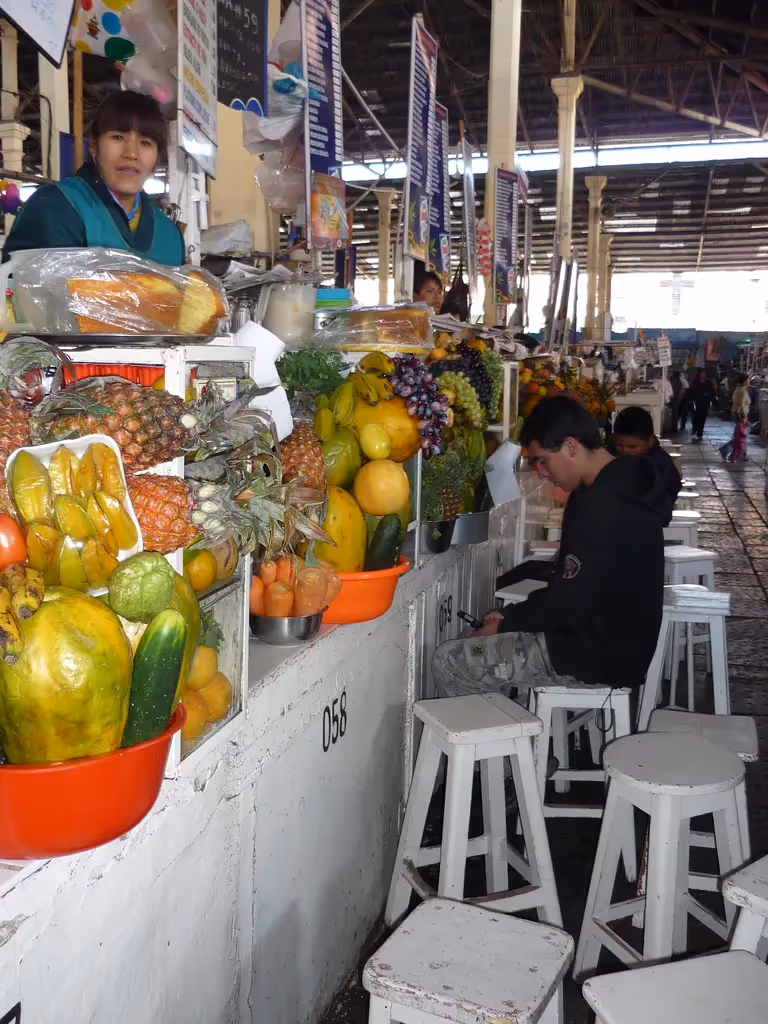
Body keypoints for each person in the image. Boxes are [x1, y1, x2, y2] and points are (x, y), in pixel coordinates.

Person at [478, 396, 666, 690]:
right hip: (617, 644)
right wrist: (511, 616)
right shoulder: (623, 481)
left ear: (570, 447)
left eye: (542, 460)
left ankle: (499, 734)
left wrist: (504, 624)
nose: (541, 472)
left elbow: (569, 605)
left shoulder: (601, 505)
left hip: (597, 654)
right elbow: (575, 590)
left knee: (453, 659)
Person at [4, 91, 184, 267]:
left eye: (145, 143)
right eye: (118, 137)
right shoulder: (54, 207)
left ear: (157, 157)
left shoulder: (170, 236)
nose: (131, 153)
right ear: (93, 145)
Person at [610, 406, 681, 524]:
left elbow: (661, 503)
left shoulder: (661, 464)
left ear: (650, 441)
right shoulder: (609, 455)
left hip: (649, 523)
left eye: (632, 447)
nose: (625, 452)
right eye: (620, 446)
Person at [719, 376, 751, 461]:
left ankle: (742, 453)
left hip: (738, 414)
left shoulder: (738, 389)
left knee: (740, 436)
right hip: (740, 415)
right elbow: (741, 405)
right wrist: (744, 417)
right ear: (744, 381)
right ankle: (725, 450)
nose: (749, 381)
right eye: (748, 380)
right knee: (740, 437)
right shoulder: (742, 391)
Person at [687, 369, 714, 442]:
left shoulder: (708, 383)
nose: (703, 376)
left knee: (702, 418)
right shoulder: (695, 383)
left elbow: (712, 392)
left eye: (704, 374)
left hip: (705, 403)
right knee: (695, 418)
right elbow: (690, 392)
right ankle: (694, 430)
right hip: (696, 403)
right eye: (701, 374)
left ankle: (700, 432)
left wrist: (710, 399)